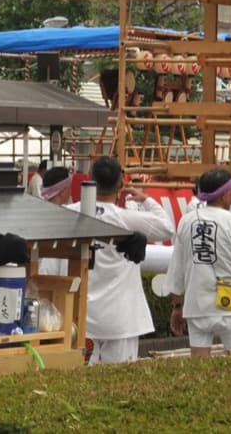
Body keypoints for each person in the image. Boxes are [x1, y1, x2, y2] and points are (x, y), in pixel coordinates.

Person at [163, 167, 231, 358]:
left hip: (197, 305)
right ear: (225, 194)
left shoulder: (186, 221)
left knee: (200, 369)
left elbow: (177, 267)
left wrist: (177, 306)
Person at [85, 156, 174, 364]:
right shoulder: (126, 218)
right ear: (121, 184)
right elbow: (167, 227)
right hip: (120, 316)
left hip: (83, 315)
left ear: (90, 179)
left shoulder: (72, 212)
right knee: (118, 383)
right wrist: (145, 200)